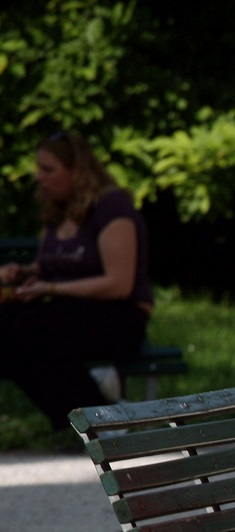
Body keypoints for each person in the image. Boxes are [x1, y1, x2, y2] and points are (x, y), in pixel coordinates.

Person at [0, 129, 154, 428]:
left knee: (31, 328)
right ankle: (92, 414)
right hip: (64, 316)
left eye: (48, 170)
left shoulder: (112, 208)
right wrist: (27, 273)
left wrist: (53, 287)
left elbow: (119, 284)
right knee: (6, 327)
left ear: (77, 171)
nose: (40, 177)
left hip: (120, 317)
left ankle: (98, 418)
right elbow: (51, 265)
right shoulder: (57, 211)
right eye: (39, 169)